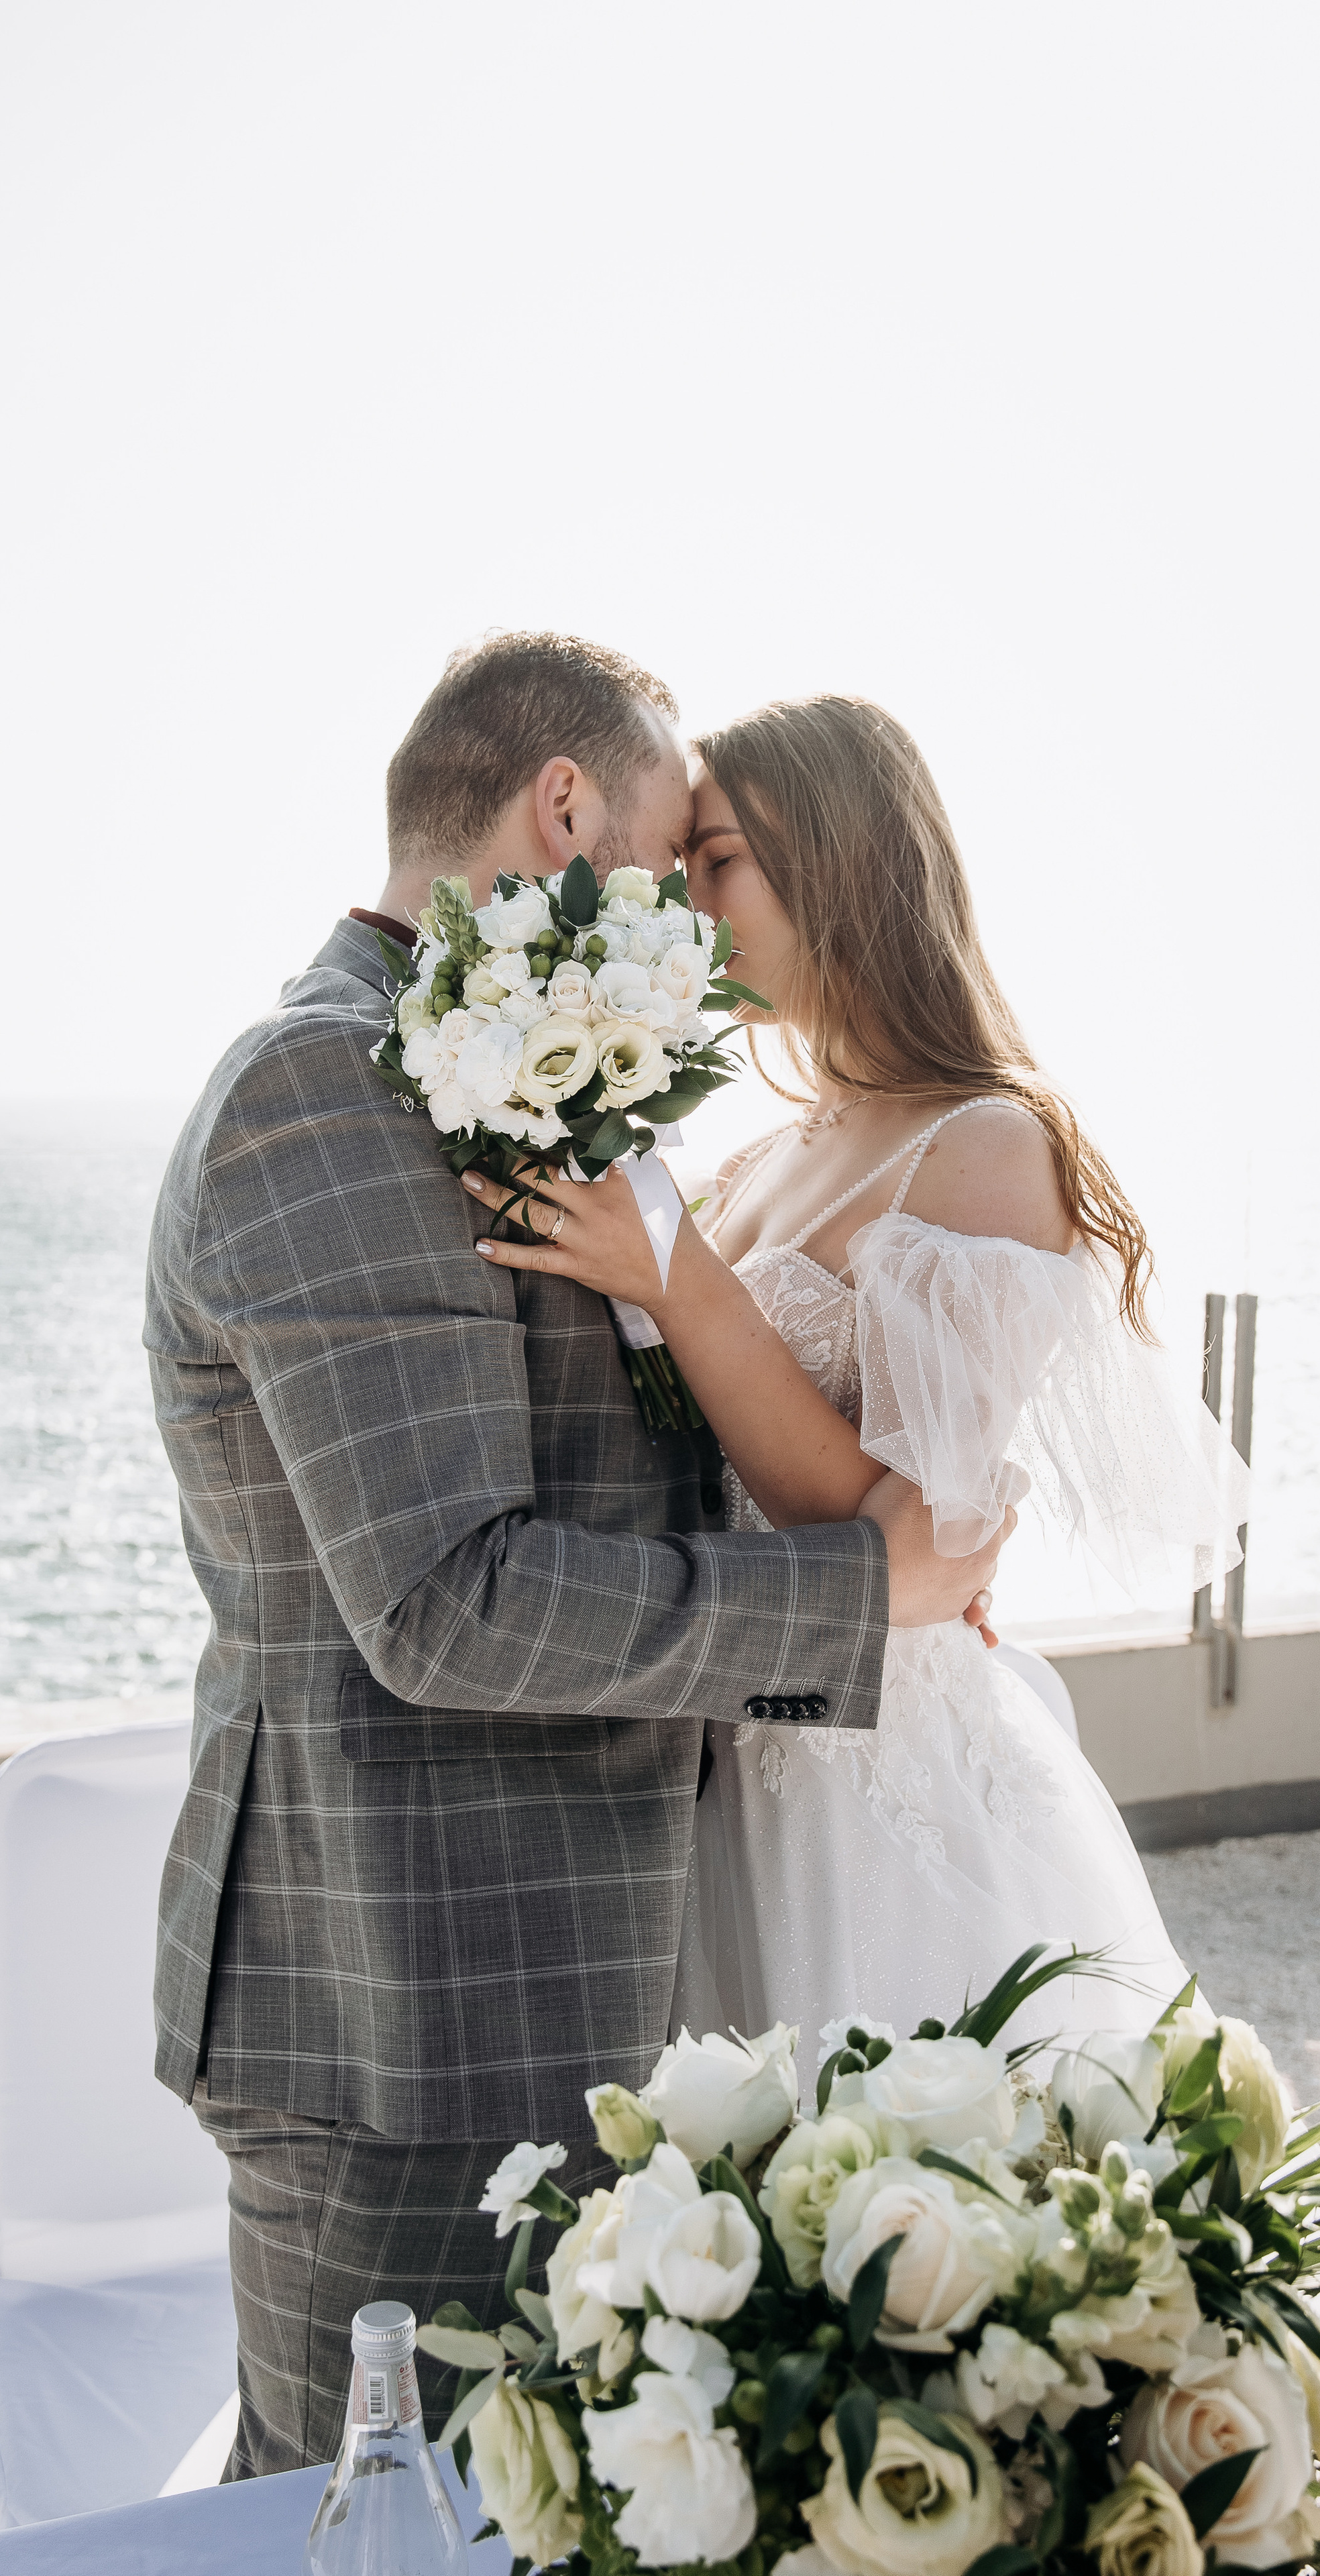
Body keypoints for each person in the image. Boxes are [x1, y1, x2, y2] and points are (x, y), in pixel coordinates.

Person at [144, 639, 1012, 2475]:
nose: (684, 933)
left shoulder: (483, 1081)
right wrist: (868, 1591)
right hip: (411, 2006)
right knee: (372, 2516)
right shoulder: (325, 1092)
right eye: (667, 860)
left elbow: (620, 1456)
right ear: (561, 809)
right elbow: (448, 1602)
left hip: (573, 1966)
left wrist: (859, 1496)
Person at [463, 692, 1252, 2080]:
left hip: (876, 1784)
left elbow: (889, 1545)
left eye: (716, 860)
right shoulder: (761, 1156)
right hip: (722, 1743)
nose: (683, 903)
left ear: (833, 862)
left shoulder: (985, 1147)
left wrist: (680, 1281)